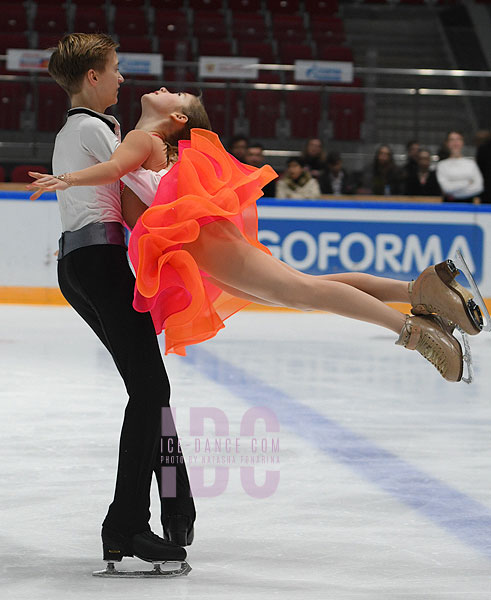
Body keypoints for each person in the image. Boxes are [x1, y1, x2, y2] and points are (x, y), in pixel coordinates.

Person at [30, 92, 485, 384]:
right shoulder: (156, 146)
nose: (161, 88)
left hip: (204, 239)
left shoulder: (142, 138)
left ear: (176, 115)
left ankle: (414, 331)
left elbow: (112, 172)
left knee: (305, 291)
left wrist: (66, 180)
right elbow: (127, 204)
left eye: (174, 92)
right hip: (203, 241)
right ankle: (417, 291)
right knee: (306, 290)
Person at [37, 33, 195, 571]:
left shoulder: (88, 129)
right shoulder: (91, 131)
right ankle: (126, 524)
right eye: (116, 68)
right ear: (93, 79)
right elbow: (142, 198)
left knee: (149, 388)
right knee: (151, 388)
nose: (124, 78)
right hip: (99, 264)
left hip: (82, 265)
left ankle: (176, 501)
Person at [436, 131, 483, 202]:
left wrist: (454, 192)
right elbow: (446, 188)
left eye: (458, 139)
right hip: (448, 206)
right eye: (452, 140)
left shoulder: (471, 164)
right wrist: (467, 182)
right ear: (447, 143)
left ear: (462, 142)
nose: (455, 142)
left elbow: (479, 187)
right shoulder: (442, 165)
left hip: (469, 206)